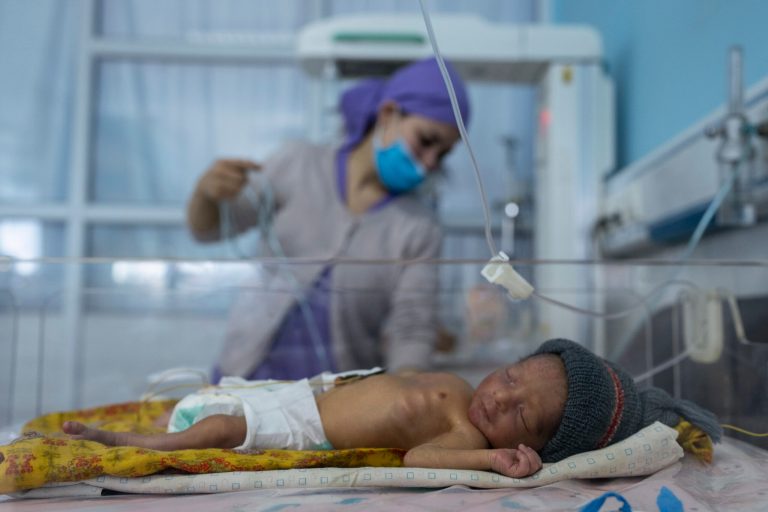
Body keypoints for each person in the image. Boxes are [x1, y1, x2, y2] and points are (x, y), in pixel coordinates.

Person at [185, 57, 471, 382]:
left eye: (444, 154)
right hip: (245, 375)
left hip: (337, 403)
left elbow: (413, 328)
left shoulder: (418, 227)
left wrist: (403, 391)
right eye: (426, 141)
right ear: (389, 114)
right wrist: (206, 195)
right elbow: (207, 230)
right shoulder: (298, 164)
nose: (430, 162)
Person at [62, 339, 722, 479]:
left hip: (304, 427)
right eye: (515, 373)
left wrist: (496, 458)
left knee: (220, 429)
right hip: (303, 391)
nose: (502, 393)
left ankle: (130, 448)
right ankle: (146, 427)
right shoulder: (469, 392)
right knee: (213, 403)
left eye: (524, 414)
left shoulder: (464, 429)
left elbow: (418, 456)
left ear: (543, 445)